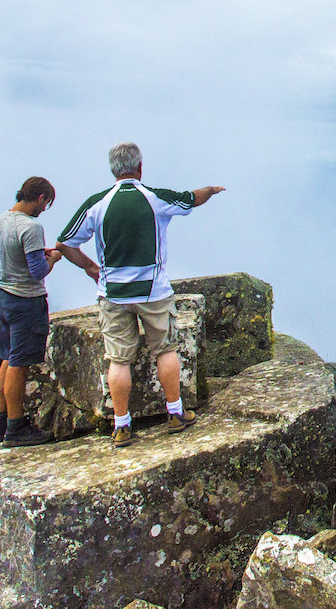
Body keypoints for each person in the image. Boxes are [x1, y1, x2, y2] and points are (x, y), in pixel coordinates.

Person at [55, 142, 225, 448]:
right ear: (140, 167)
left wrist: (90, 268)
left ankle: (121, 426)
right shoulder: (155, 198)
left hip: (113, 293)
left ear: (113, 169)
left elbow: (65, 242)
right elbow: (192, 199)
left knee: (119, 360)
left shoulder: (98, 203)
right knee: (165, 349)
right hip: (154, 291)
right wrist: (211, 189)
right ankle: (174, 413)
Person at [0, 176, 62, 448]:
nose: (44, 209)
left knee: (7, 358)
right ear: (40, 198)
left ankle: (0, 423)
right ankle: (16, 428)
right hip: (25, 301)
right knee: (19, 363)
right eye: (46, 203)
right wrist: (50, 258)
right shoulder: (31, 227)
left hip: (2, 296)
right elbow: (38, 272)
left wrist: (30, 253)